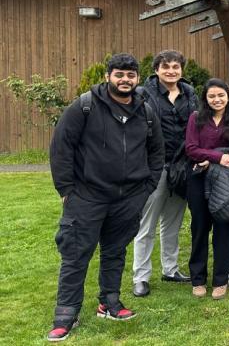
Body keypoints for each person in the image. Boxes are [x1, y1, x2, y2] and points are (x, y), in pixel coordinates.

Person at [47, 53, 164, 341]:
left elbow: (157, 151)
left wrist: (147, 187)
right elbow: (61, 147)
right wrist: (66, 190)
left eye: (130, 75)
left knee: (115, 251)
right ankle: (66, 313)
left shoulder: (146, 110)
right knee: (76, 254)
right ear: (108, 76)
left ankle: (109, 302)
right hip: (87, 196)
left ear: (137, 78)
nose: (125, 80)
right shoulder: (84, 107)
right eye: (119, 74)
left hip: (129, 197)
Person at [132, 50, 196, 297]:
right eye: (166, 66)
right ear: (156, 69)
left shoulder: (190, 94)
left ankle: (170, 269)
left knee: (173, 222)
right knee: (146, 225)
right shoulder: (143, 94)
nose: (171, 71)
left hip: (182, 167)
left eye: (176, 67)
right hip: (154, 167)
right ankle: (141, 276)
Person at [185, 78, 229, 300]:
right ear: (205, 98)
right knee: (200, 228)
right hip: (198, 179)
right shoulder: (196, 119)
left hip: (225, 181)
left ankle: (220, 279)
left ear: (228, 97)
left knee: (223, 228)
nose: (216, 99)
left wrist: (213, 160)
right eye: (211, 96)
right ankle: (198, 279)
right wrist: (218, 157)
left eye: (220, 95)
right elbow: (191, 148)